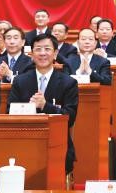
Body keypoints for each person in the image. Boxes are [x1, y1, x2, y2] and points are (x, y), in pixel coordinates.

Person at [7, 33, 78, 173]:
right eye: (38, 49)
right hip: (25, 142)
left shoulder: (69, 83)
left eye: (47, 49)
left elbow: (70, 117)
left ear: (55, 53)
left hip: (57, 144)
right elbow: (10, 112)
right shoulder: (20, 81)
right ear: (32, 54)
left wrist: (45, 106)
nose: (42, 53)